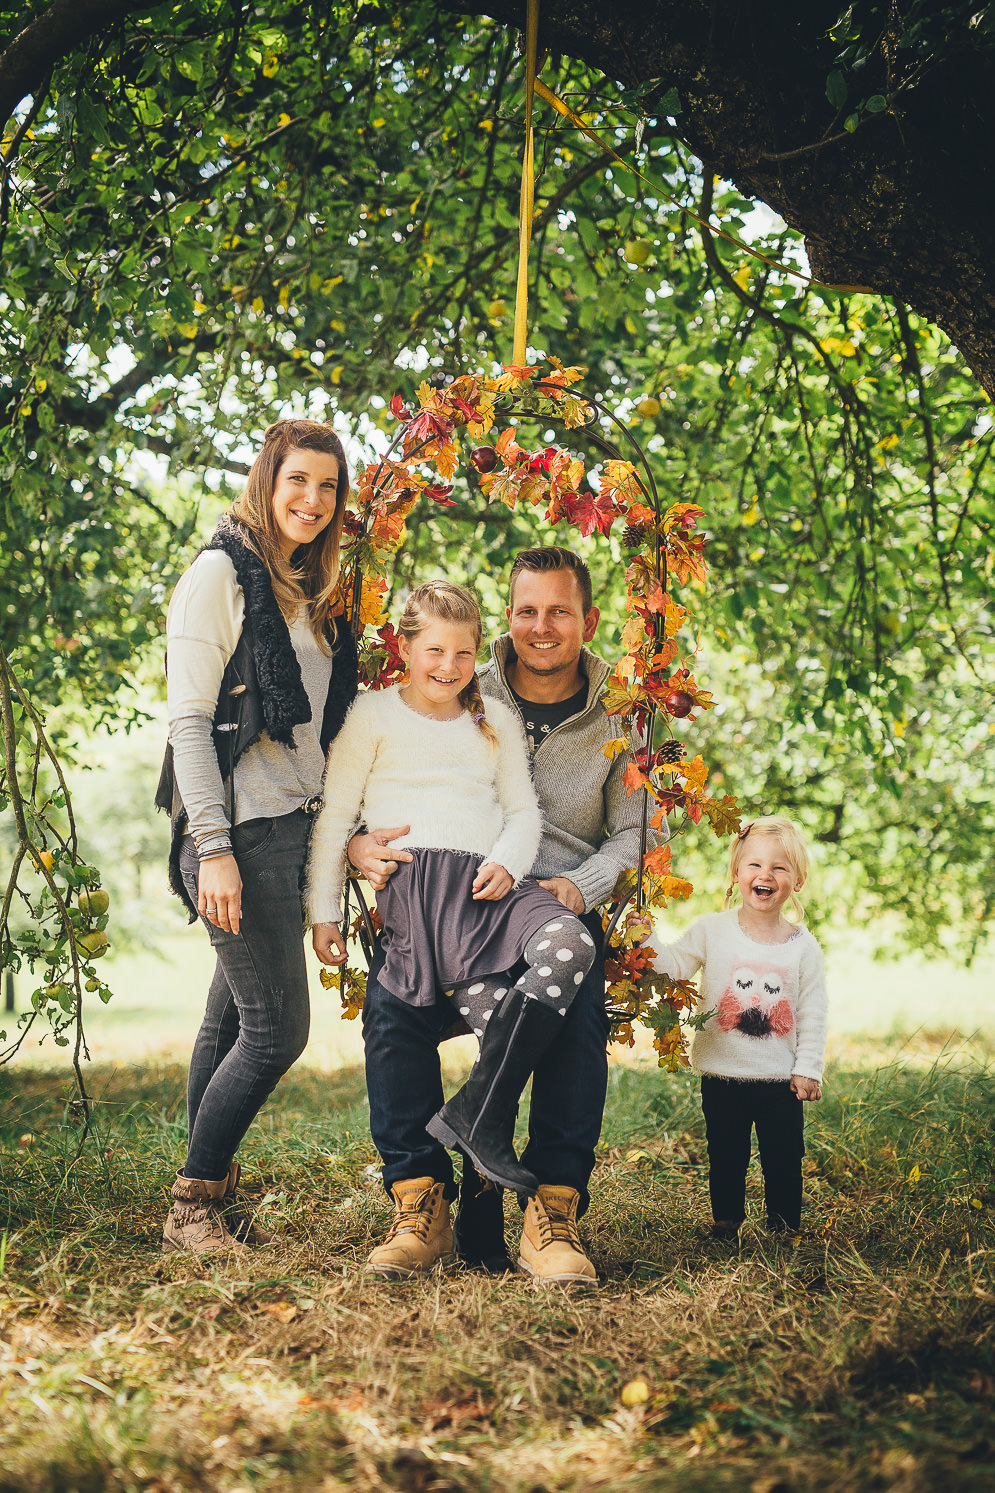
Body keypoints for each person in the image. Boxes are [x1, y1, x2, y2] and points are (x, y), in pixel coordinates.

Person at [349, 547, 645, 1284]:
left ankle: (551, 1212)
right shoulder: (460, 685)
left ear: (588, 618)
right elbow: (380, 772)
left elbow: (636, 831)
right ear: (506, 617)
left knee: (575, 1009)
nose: (540, 627)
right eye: (525, 611)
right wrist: (357, 841)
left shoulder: (624, 709)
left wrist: (582, 883)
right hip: (459, 903)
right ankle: (422, 1200)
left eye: (558, 611)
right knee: (391, 1005)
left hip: (556, 908)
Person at [307, 580, 598, 1263]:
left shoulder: (491, 715)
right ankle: (456, 1207)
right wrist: (323, 908)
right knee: (479, 1015)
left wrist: (505, 858)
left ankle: (474, 1115)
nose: (448, 665)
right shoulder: (372, 715)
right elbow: (334, 816)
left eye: (463, 652)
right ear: (405, 647)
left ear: (478, 654)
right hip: (418, 894)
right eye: (433, 649)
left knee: (569, 942)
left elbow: (522, 810)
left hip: (490, 888)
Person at [155, 418, 357, 1254]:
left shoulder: (305, 589)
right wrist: (214, 848)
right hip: (240, 832)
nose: (312, 500)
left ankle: (213, 1191)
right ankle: (191, 1207)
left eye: (329, 486)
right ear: (267, 482)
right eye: (297, 481)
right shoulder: (219, 574)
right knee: (276, 1028)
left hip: (294, 828)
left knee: (230, 1021)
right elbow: (190, 724)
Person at [651, 815, 827, 1240]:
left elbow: (812, 1011)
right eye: (755, 865)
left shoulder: (803, 946)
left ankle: (784, 1228)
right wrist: (644, 937)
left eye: (779, 868)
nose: (765, 875)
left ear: (797, 881)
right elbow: (673, 966)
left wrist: (808, 1068)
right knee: (726, 1153)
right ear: (736, 872)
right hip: (722, 1074)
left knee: (783, 1156)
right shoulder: (713, 930)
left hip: (778, 1080)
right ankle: (726, 1222)